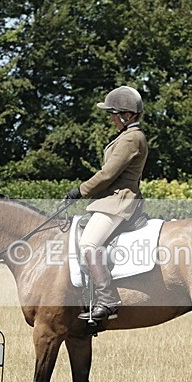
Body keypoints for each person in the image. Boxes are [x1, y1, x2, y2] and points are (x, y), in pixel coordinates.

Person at [62, 86, 148, 321]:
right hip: (110, 200)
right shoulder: (125, 136)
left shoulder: (132, 138)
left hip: (118, 201)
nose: (110, 118)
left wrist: (79, 191)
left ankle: (108, 300)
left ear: (126, 115)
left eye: (113, 113)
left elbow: (107, 174)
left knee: (89, 244)